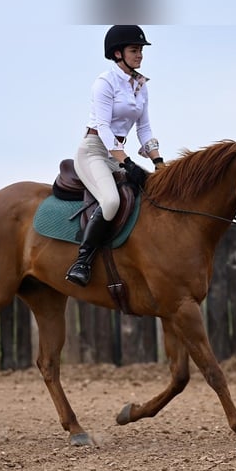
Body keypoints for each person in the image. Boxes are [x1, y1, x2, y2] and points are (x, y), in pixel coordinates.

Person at [65, 24, 165, 287]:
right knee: (110, 201)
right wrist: (126, 162)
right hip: (93, 151)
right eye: (134, 50)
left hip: (116, 155)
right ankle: (82, 261)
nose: (140, 55)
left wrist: (158, 161)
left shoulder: (141, 86)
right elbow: (104, 127)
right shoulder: (105, 83)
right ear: (118, 53)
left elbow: (144, 127)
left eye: (141, 50)